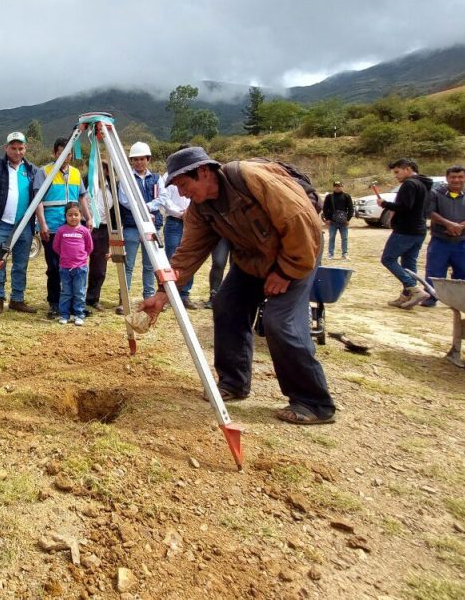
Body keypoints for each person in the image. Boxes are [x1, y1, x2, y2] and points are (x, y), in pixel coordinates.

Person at [141, 147, 336, 425]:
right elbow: (189, 253)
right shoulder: (201, 209)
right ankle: (233, 382)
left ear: (203, 172)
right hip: (251, 260)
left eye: (183, 184)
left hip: (297, 253)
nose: (182, 194)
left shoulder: (251, 178)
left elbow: (301, 221)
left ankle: (314, 402)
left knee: (279, 321)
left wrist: (285, 271)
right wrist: (163, 294)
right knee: (227, 304)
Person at [0, 132, 40, 314]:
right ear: (6, 148)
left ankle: (17, 299)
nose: (17, 152)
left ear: (25, 149)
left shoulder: (32, 170)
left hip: (24, 225)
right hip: (1, 223)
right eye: (13, 148)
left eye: (20, 148)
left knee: (21, 264)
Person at [37, 137, 91, 319]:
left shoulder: (76, 173)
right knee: (54, 267)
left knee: (75, 267)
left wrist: (88, 218)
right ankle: (55, 303)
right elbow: (38, 200)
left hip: (74, 229)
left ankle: (76, 305)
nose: (65, 157)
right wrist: (42, 224)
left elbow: (82, 197)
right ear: (54, 153)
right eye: (61, 153)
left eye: (68, 154)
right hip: (52, 227)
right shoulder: (44, 172)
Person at [421, 165, 465, 308]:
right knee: (434, 271)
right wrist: (448, 224)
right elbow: (429, 212)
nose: (456, 180)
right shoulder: (435, 194)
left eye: (460, 177)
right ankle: (431, 297)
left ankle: (458, 301)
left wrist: (460, 227)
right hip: (440, 240)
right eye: (453, 177)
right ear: (447, 178)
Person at [376, 158, 433, 309]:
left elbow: (405, 206)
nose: (396, 176)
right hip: (419, 230)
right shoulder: (424, 184)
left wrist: (385, 204)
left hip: (406, 230)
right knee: (408, 264)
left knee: (388, 259)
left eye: (397, 172)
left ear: (407, 169)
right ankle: (407, 295)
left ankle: (414, 289)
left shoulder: (410, 184)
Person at [118, 142, 163, 309]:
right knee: (128, 264)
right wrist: (144, 210)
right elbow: (124, 200)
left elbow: (162, 198)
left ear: (148, 159)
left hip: (151, 227)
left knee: (149, 265)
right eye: (135, 159)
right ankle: (124, 299)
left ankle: (149, 298)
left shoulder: (157, 178)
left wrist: (147, 208)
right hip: (132, 226)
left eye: (142, 159)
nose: (139, 162)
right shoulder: (126, 179)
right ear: (131, 161)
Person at [153, 160, 196, 309]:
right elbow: (166, 200)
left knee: (191, 257)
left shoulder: (194, 176)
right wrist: (180, 213)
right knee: (171, 259)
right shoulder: (167, 178)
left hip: (192, 220)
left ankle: (184, 295)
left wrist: (190, 213)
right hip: (174, 221)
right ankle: (168, 294)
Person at [52, 202, 93, 326]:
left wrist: (81, 258)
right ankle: (64, 315)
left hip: (80, 268)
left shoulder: (84, 231)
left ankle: (79, 314)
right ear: (65, 216)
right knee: (66, 292)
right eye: (70, 215)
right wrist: (65, 256)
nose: (73, 217)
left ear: (81, 215)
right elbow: (56, 246)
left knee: (79, 292)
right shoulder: (61, 231)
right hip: (65, 268)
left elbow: (89, 247)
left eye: (76, 214)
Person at [85, 158, 115, 311]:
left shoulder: (113, 187)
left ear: (107, 171)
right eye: (95, 169)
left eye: (102, 169)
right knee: (77, 264)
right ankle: (74, 297)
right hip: (84, 227)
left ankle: (93, 298)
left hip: (103, 229)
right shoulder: (84, 184)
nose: (99, 172)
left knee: (99, 267)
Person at [322, 181, 353, 260]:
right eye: (336, 186)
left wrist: (348, 219)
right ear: (333, 187)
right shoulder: (329, 197)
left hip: (343, 222)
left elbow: (351, 209)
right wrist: (327, 219)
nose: (337, 187)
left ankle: (345, 254)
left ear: (342, 187)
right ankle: (330, 253)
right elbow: (325, 208)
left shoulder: (347, 196)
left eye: (339, 186)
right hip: (332, 221)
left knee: (344, 238)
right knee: (332, 237)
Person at [203, 238, 231, 309]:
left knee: (237, 265)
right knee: (218, 263)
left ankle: (234, 298)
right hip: (222, 234)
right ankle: (214, 296)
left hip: (242, 235)